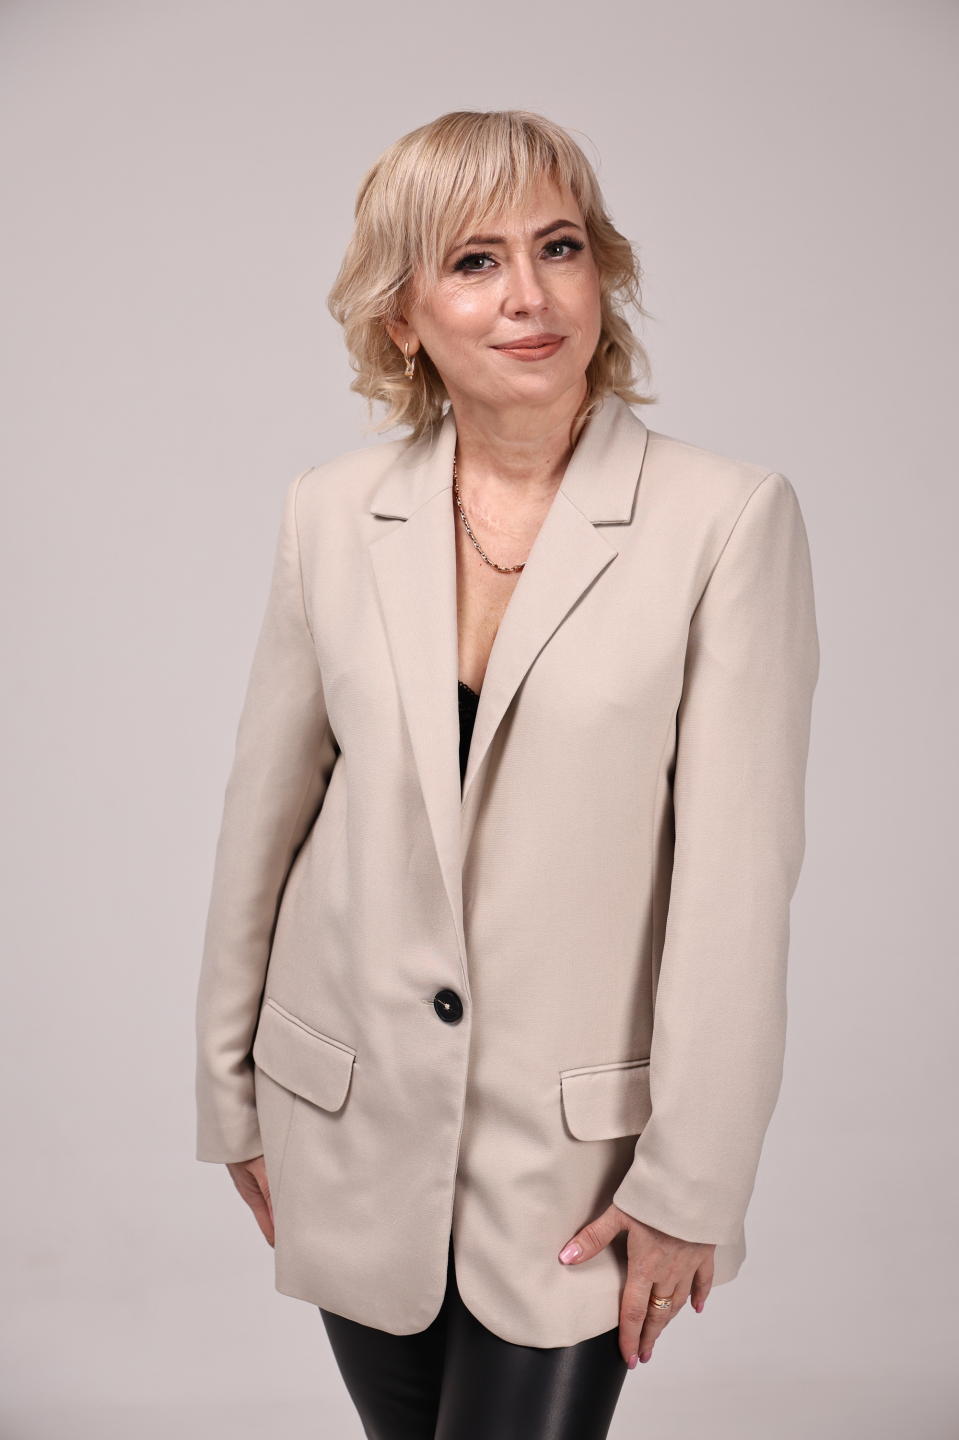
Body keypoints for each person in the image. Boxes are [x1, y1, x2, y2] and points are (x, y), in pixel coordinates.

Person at [194, 108, 820, 1439]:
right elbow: (267, 819)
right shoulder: (330, 512)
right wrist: (230, 1090)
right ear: (402, 317)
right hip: (349, 1119)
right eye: (475, 262)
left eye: (560, 247)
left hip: (575, 1159)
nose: (529, 295)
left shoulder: (726, 520)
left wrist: (693, 1183)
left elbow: (735, 887)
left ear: (604, 273)